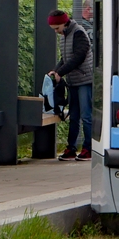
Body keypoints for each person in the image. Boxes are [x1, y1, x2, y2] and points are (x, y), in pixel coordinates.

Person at [47, 10, 93, 161]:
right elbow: (65, 58)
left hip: (85, 80)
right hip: (73, 81)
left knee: (86, 116)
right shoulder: (64, 36)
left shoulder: (79, 33)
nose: (56, 32)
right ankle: (71, 148)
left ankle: (88, 149)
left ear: (64, 23)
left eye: (57, 28)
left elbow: (79, 56)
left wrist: (61, 71)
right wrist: (55, 70)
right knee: (73, 116)